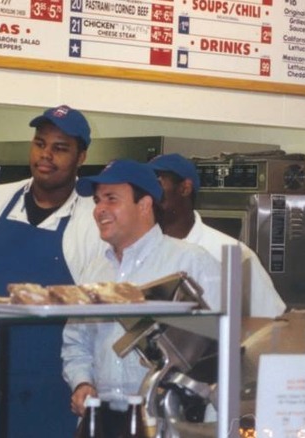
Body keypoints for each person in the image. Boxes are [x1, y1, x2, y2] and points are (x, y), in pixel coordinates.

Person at [0, 104, 106, 437]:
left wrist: (86, 380)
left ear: (81, 157)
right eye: (40, 143)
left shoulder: (92, 219)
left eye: (60, 148)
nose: (46, 155)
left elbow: (99, 314)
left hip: (57, 388)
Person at [61, 159, 222, 422]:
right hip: (101, 420)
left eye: (111, 199)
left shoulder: (191, 262)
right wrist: (82, 383)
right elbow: (76, 341)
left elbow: (217, 355)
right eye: (98, 200)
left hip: (165, 421)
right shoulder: (94, 270)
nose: (99, 210)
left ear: (145, 205)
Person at [147, 153, 286, 318]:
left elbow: (270, 322)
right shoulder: (137, 250)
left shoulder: (232, 254)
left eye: (157, 182)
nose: (148, 192)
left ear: (185, 188)